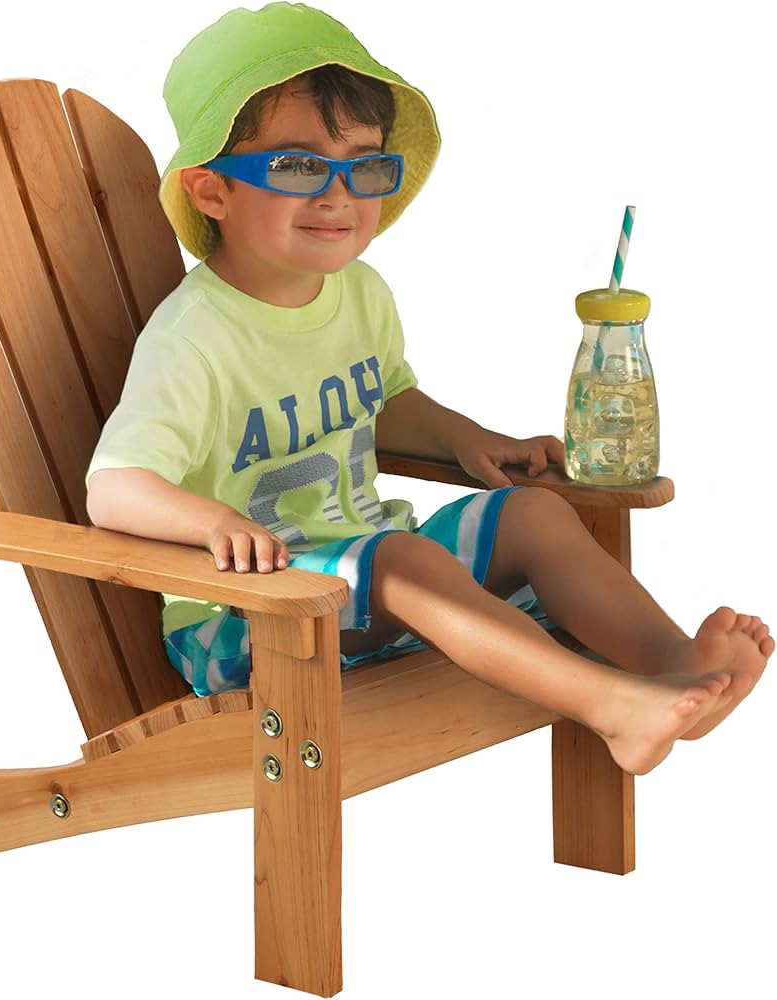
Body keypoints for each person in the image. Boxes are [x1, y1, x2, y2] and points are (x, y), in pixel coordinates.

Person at [85, 1, 771, 775]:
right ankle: (612, 706)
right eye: (297, 166)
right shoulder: (194, 338)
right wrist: (212, 521)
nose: (338, 194)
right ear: (212, 191)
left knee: (533, 513)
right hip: (244, 619)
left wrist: (463, 439)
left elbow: (382, 401)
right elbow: (114, 488)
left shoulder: (359, 294)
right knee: (402, 559)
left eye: (363, 165)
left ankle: (674, 668)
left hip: (366, 578)